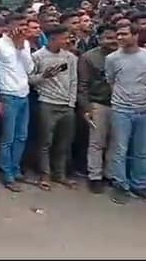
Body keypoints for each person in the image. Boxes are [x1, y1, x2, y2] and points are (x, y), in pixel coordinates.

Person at [29, 25, 78, 191]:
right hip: (47, 103)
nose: (67, 41)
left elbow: (74, 81)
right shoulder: (37, 56)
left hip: (66, 104)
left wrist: (71, 103)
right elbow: (29, 79)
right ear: (52, 39)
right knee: (45, 141)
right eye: (64, 38)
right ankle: (45, 174)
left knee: (64, 142)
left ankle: (60, 174)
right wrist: (44, 76)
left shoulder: (70, 57)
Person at [0, 14, 34, 192]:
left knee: (21, 136)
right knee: (7, 137)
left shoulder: (25, 44)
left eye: (25, 25)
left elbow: (30, 69)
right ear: (9, 26)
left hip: (24, 94)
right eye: (20, 24)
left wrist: (20, 47)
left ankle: (16, 169)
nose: (23, 28)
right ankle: (7, 173)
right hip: (7, 95)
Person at [105, 23, 146, 204]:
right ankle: (120, 185)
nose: (120, 37)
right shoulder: (112, 58)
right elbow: (111, 81)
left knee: (141, 150)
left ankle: (139, 183)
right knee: (119, 149)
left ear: (135, 36)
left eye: (124, 34)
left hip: (143, 109)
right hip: (121, 109)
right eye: (118, 34)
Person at [77, 23, 117, 194]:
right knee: (96, 142)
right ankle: (95, 176)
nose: (113, 41)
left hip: (120, 104)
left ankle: (109, 175)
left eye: (115, 37)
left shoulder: (122, 56)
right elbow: (82, 85)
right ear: (99, 39)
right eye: (108, 38)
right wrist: (86, 108)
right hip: (98, 103)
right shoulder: (89, 57)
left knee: (115, 143)